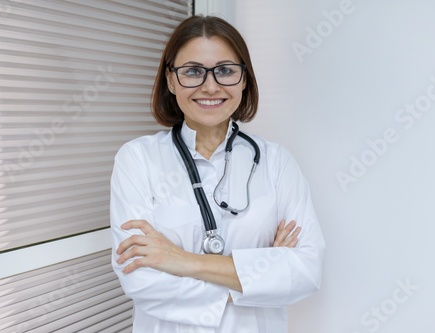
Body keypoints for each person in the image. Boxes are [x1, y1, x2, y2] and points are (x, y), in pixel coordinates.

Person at [110, 15, 325, 333]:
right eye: (193, 71)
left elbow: (305, 272)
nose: (210, 86)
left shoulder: (276, 162)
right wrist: (262, 272)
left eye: (225, 70)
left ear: (244, 80)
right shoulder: (138, 159)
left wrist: (185, 262)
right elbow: (141, 280)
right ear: (171, 81)